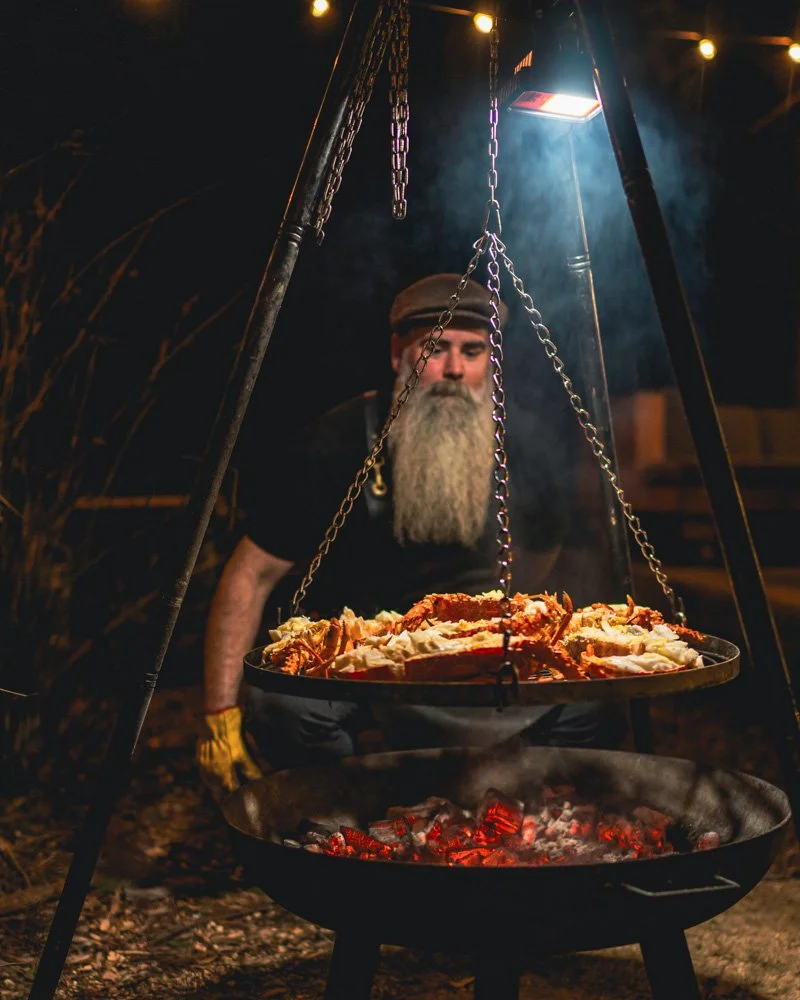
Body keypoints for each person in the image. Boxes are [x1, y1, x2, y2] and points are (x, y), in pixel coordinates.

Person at [197, 273, 626, 799]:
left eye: (472, 352)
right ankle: (359, 819)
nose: (452, 369)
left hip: (482, 654)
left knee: (595, 696)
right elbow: (251, 575)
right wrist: (220, 711)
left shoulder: (523, 449)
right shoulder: (336, 441)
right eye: (436, 348)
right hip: (369, 661)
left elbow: (540, 554)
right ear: (400, 352)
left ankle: (524, 818)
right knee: (282, 705)